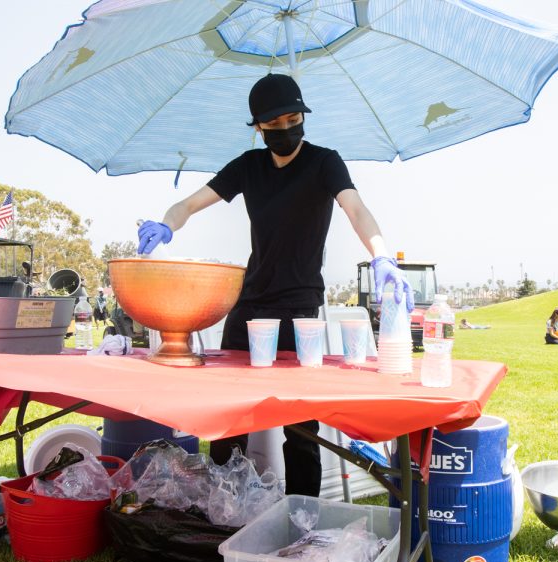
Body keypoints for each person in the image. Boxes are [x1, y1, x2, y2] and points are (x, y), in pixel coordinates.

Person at [136, 73, 414, 497]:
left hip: (300, 307)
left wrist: (381, 255)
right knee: (227, 419)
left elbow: (356, 209)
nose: (286, 129)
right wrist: (166, 223)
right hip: (248, 305)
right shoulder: (248, 167)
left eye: (293, 118)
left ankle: (304, 516)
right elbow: (189, 203)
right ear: (258, 127)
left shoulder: (324, 162)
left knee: (300, 427)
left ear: (303, 116)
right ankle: (225, 508)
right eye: (275, 123)